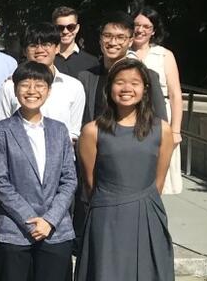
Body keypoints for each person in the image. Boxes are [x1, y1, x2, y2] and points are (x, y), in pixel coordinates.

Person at [74, 59, 175, 281]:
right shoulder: (92, 131)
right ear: (109, 88)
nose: (127, 88)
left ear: (145, 89)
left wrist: (140, 202)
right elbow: (90, 182)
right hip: (106, 215)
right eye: (119, 82)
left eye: (134, 83)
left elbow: (158, 180)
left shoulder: (162, 130)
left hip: (147, 214)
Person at [0, 62, 78, 281]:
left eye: (39, 85)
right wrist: (30, 219)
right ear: (15, 89)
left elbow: (69, 180)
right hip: (15, 231)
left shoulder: (59, 130)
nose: (32, 91)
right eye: (25, 84)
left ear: (48, 90)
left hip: (55, 229)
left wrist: (49, 220)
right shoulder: (2, 131)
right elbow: (0, 181)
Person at [0, 23, 85, 142]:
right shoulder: (10, 87)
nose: (40, 50)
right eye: (33, 45)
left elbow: (73, 133)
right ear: (25, 51)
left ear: (57, 48)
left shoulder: (73, 87)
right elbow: (1, 130)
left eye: (46, 44)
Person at [75, 12, 168, 124]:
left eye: (120, 37)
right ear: (100, 39)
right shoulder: (86, 77)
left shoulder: (148, 77)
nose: (113, 42)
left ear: (130, 41)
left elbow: (161, 123)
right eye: (107, 36)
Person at [133, 7, 184, 195]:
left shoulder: (164, 55)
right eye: (137, 25)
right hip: (128, 115)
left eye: (146, 26)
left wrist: (176, 130)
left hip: (158, 116)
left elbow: (174, 94)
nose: (140, 30)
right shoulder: (122, 53)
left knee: (158, 175)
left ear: (153, 30)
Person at [52, 7, 98, 77]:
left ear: (77, 28)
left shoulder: (92, 62)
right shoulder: (46, 59)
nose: (65, 31)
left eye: (70, 27)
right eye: (60, 28)